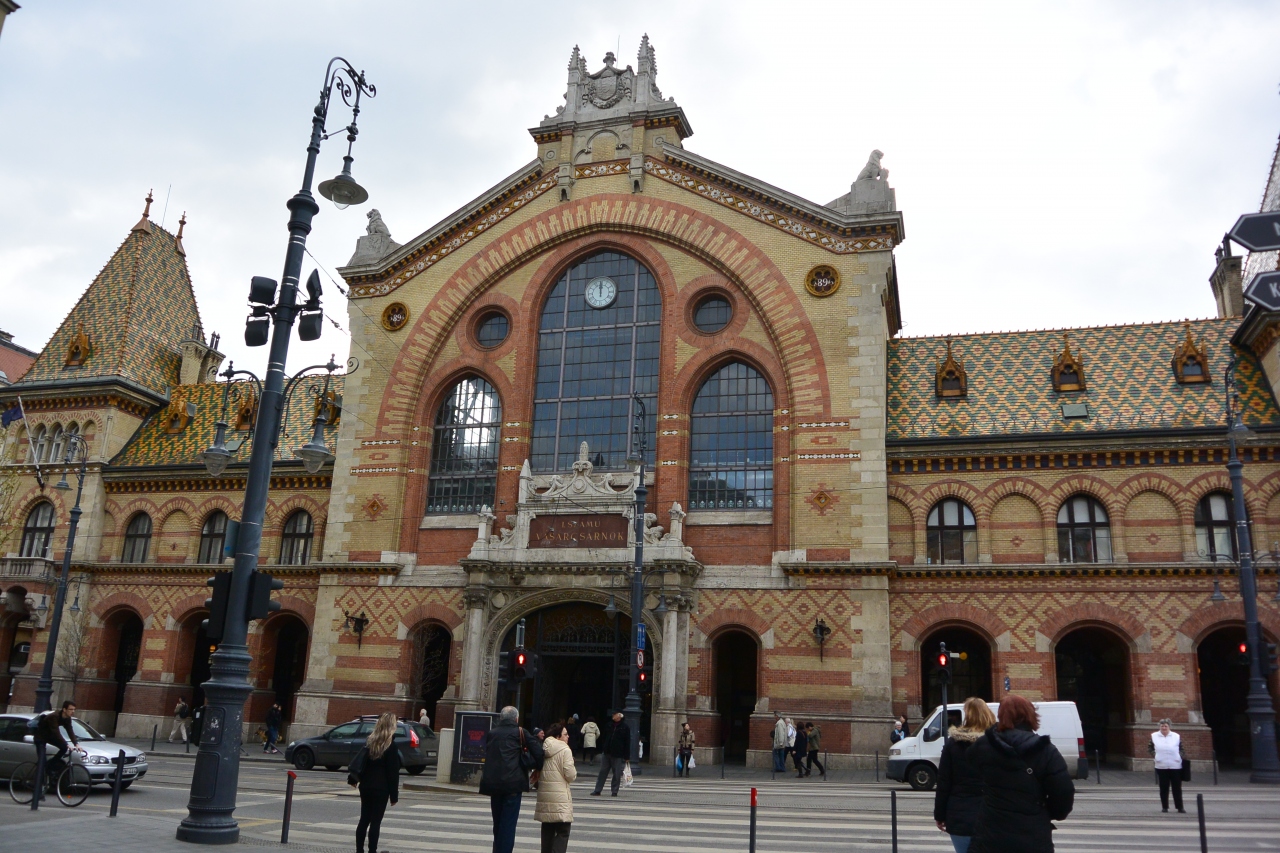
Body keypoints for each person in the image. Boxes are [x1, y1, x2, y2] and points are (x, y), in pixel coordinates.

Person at [968, 694, 1074, 853]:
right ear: (1030, 715)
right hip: (1032, 833)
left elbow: (969, 776)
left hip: (991, 831)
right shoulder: (1045, 750)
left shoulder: (983, 745)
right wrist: (1049, 813)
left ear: (1001, 715)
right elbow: (1063, 791)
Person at [934, 697, 996, 853]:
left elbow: (943, 782)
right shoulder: (997, 743)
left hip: (960, 816)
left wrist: (940, 815)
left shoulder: (953, 744)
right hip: (992, 816)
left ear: (967, 715)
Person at [480, 705, 545, 853]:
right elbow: (538, 752)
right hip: (513, 784)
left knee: (498, 823)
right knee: (508, 824)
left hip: (493, 784)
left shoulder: (492, 733)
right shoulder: (520, 732)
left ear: (501, 718)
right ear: (516, 719)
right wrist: (538, 768)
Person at [348, 712, 400, 853]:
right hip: (381, 788)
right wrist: (394, 796)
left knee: (364, 819)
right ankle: (372, 851)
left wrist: (352, 778)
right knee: (375, 822)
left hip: (366, 786)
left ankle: (359, 850)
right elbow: (392, 773)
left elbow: (360, 763)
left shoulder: (370, 742)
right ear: (391, 726)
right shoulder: (391, 746)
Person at [535, 723, 578, 853]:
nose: (568, 736)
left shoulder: (544, 748)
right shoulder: (565, 750)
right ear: (558, 736)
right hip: (560, 797)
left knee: (547, 829)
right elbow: (570, 775)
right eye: (565, 734)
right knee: (563, 830)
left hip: (545, 796)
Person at [34, 701, 82, 786]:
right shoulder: (54, 716)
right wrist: (67, 744)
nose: (73, 711)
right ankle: (38, 786)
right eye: (71, 709)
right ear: (64, 709)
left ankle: (50, 766)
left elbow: (70, 731)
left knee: (64, 748)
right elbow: (56, 732)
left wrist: (76, 744)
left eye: (74, 709)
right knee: (42, 762)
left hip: (50, 737)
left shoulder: (67, 718)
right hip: (41, 738)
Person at [589, 711, 630, 797]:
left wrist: (627, 756)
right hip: (607, 752)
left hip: (618, 754)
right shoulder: (609, 725)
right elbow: (604, 737)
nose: (613, 715)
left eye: (614, 714)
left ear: (619, 716)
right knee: (602, 772)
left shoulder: (625, 727)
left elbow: (627, 742)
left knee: (616, 774)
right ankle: (597, 790)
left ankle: (614, 791)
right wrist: (603, 748)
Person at [1149, 718, 1186, 814]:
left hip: (1175, 765)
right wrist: (1155, 755)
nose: (1164, 728)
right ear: (1159, 727)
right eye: (1162, 726)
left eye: (1166, 726)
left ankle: (1180, 807)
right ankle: (1165, 807)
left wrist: (1179, 756)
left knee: (1177, 788)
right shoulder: (1154, 736)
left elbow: (1182, 748)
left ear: (1169, 726)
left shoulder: (1176, 736)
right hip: (1161, 765)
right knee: (1163, 787)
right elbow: (1150, 748)